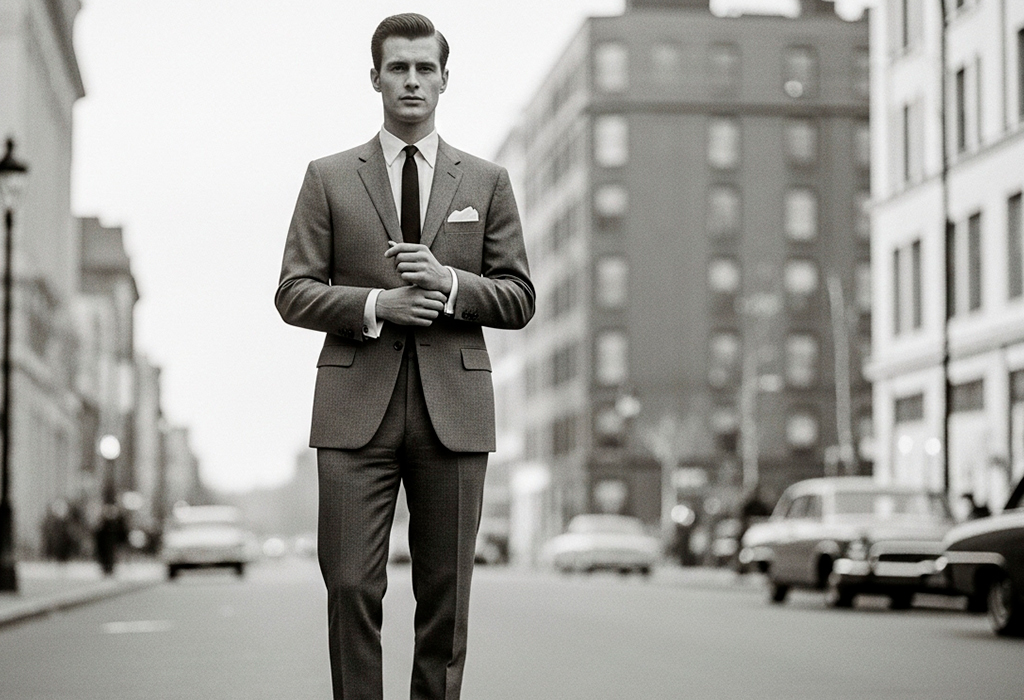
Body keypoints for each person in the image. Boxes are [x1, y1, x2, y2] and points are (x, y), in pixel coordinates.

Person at [275, 13, 534, 700]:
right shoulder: (328, 177)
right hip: (353, 412)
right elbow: (292, 293)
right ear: (375, 78)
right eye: (399, 67)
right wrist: (373, 306)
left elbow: (518, 297)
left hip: (456, 411)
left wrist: (449, 285)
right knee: (352, 585)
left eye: (425, 68)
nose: (412, 80)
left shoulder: (487, 182)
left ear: (445, 79)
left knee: (446, 601)